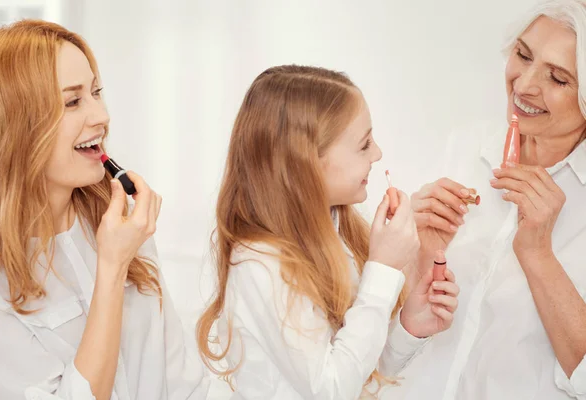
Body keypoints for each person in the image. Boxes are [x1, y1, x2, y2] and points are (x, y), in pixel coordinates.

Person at [197, 65, 460, 399]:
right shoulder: (260, 263)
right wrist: (383, 271)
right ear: (307, 163)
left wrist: (410, 327)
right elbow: (331, 390)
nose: (377, 154)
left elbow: (357, 374)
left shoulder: (337, 232)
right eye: (364, 144)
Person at [0, 20, 207, 400]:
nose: (101, 116)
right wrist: (111, 267)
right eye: (73, 101)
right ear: (17, 126)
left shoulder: (118, 225)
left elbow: (182, 380)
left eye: (96, 92)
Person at [392, 1, 586, 398]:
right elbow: (390, 348)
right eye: (523, 55)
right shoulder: (464, 146)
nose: (524, 84)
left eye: (558, 78)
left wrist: (538, 254)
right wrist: (410, 253)